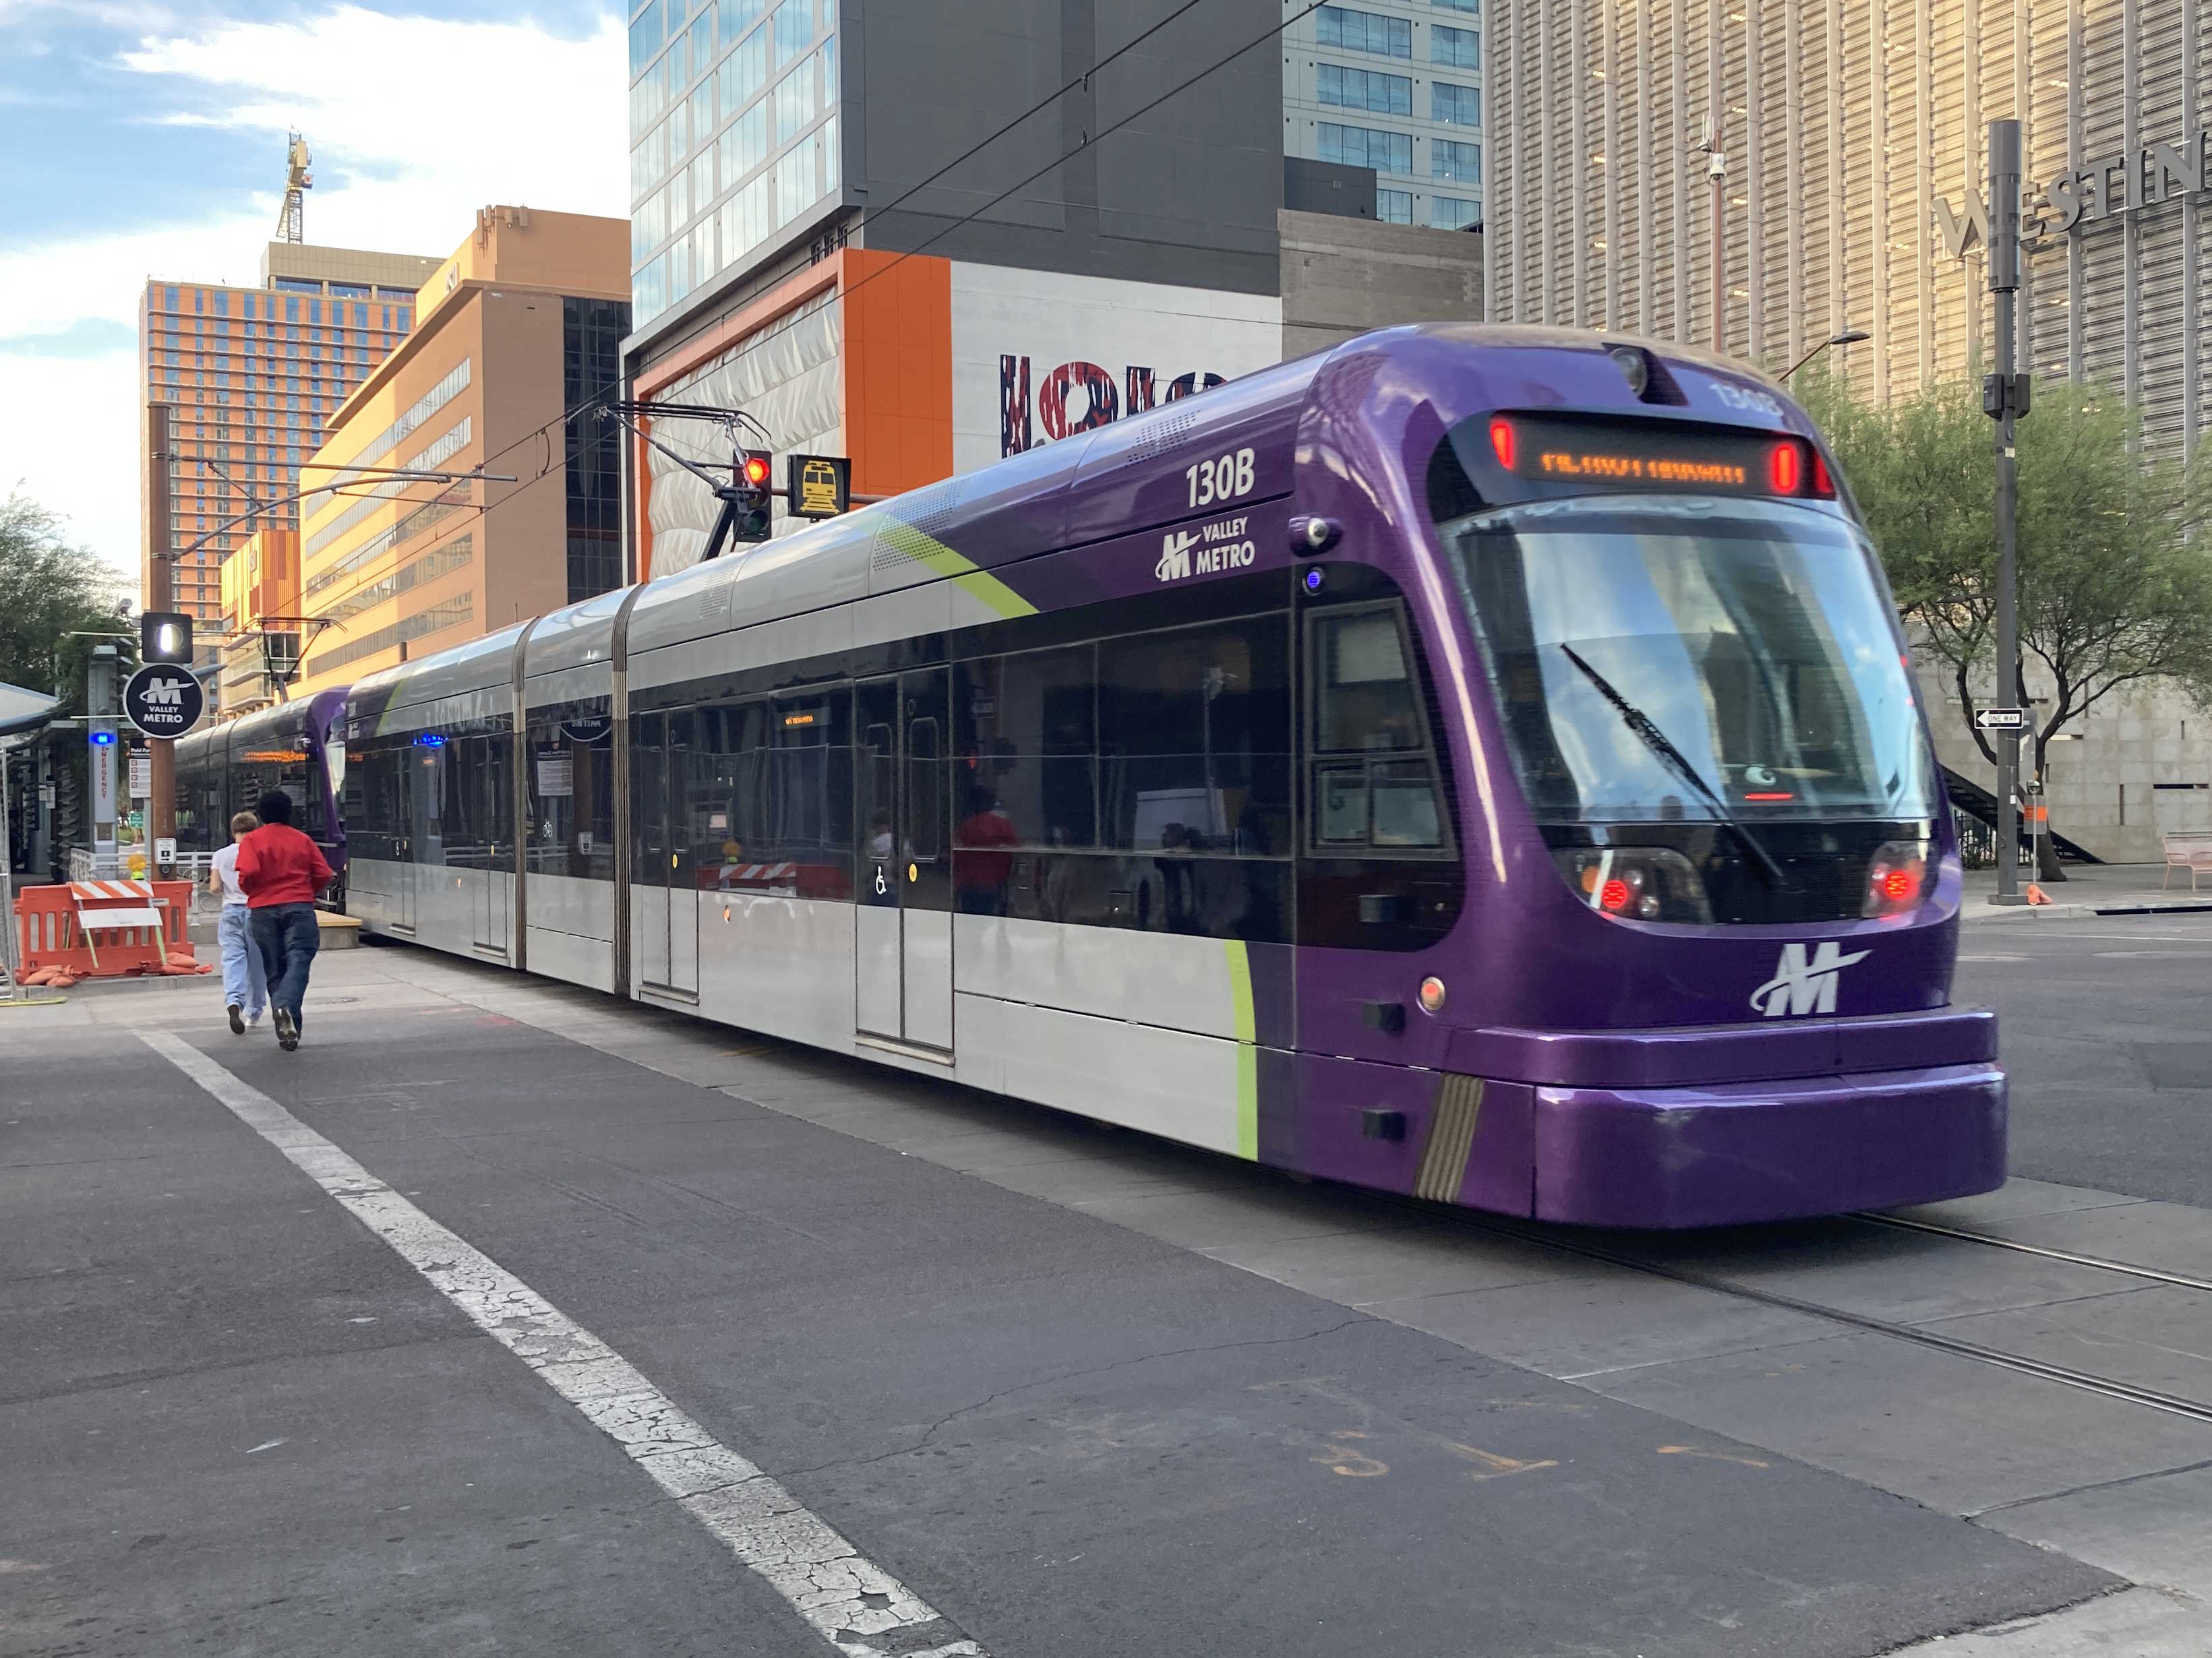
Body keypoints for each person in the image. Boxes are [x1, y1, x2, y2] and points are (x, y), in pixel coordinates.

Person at [235, 789, 334, 1051]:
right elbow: (324, 873)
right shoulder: (302, 840)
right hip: (299, 906)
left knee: (274, 968)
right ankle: (287, 1012)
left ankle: (286, 1023)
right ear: (290, 812)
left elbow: (248, 873)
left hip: (263, 909)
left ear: (262, 814)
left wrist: (252, 890)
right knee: (299, 958)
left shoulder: (252, 841)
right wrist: (306, 891)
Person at [207, 810, 267, 1035]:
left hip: (230, 911)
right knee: (257, 964)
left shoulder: (220, 855)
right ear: (256, 831)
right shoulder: (260, 852)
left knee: (233, 960)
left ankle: (234, 1002)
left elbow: (214, 888)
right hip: (255, 910)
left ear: (233, 832)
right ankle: (254, 1012)